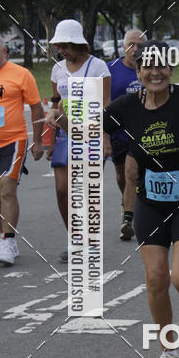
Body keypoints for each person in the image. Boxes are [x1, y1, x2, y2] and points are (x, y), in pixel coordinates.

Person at [103, 41, 179, 358]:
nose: (155, 72)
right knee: (155, 278)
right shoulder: (127, 107)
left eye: (162, 66)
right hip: (149, 203)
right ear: (138, 73)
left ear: (171, 69)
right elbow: (89, 125)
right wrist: (61, 117)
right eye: (147, 67)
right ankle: (169, 352)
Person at [49, 19, 111, 263]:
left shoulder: (98, 67)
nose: (62, 50)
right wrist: (50, 141)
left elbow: (106, 106)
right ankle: (75, 238)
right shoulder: (57, 69)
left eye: (66, 45)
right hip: (65, 134)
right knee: (63, 191)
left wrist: (105, 138)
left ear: (78, 43)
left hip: (92, 134)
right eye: (59, 46)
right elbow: (55, 104)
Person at [0, 36, 44, 266]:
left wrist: (38, 141)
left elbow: (36, 107)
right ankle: (6, 239)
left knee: (6, 187)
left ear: (4, 50)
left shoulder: (21, 74)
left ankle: (7, 238)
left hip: (13, 141)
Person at [107, 30, 144, 240]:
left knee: (134, 173)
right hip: (118, 133)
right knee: (122, 176)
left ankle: (131, 215)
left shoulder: (148, 68)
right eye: (131, 44)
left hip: (141, 132)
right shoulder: (110, 69)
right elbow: (104, 102)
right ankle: (126, 202)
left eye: (139, 45)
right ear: (123, 46)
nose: (134, 49)